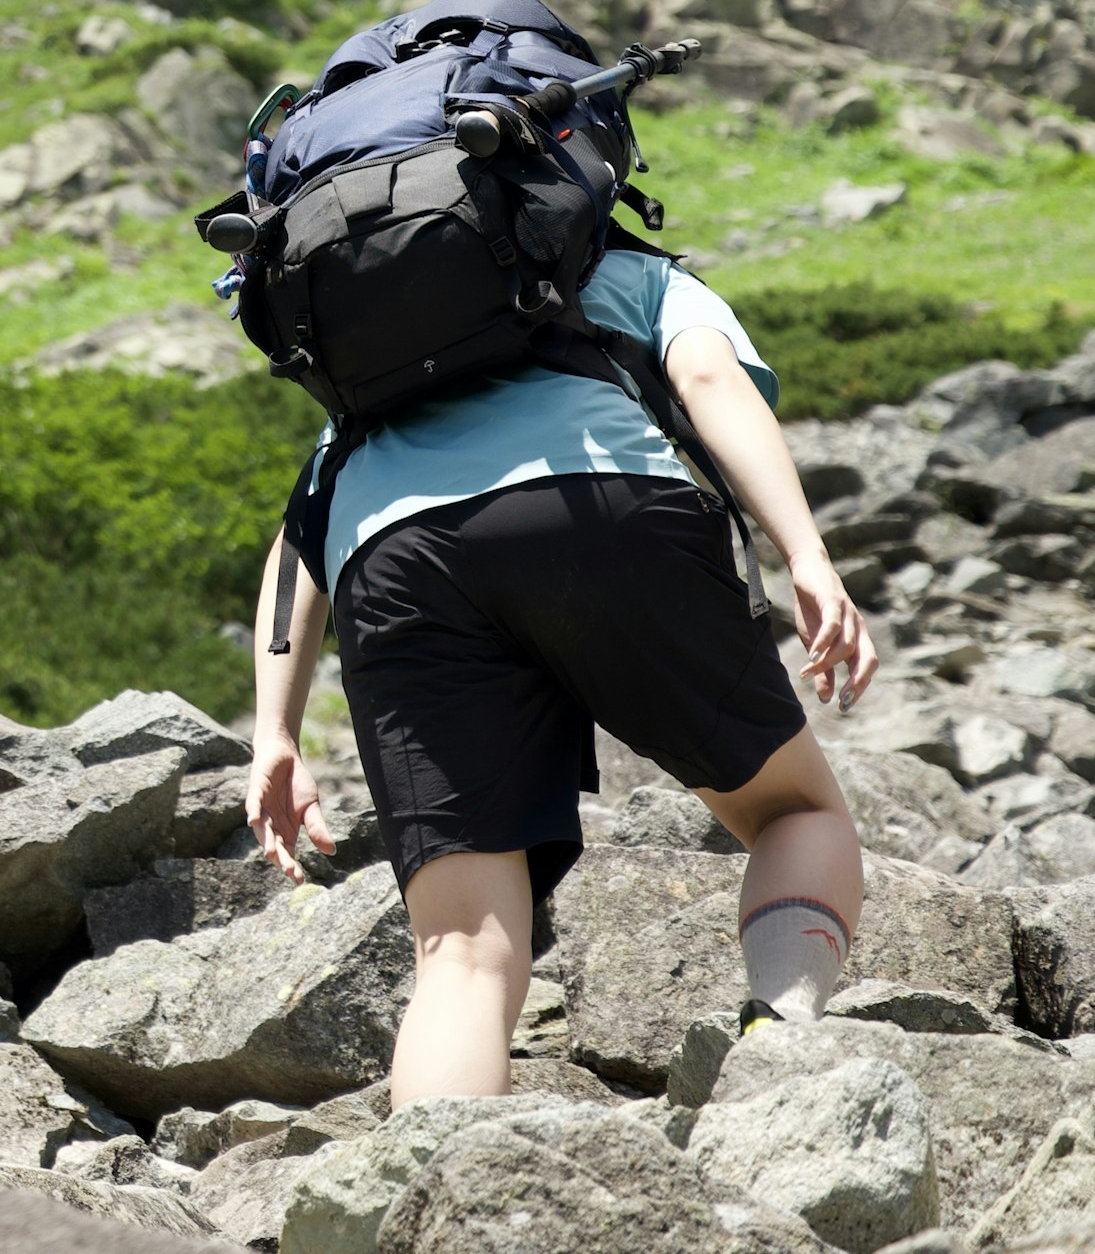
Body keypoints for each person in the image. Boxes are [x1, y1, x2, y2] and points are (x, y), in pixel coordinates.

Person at [242, 224, 880, 1105]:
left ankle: (443, 1201)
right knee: (795, 810)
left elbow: (300, 535)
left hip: (392, 560)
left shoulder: (383, 350)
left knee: (462, 948)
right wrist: (807, 553)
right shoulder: (636, 273)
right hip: (603, 500)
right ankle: (774, 1048)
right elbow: (708, 380)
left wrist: (274, 730)